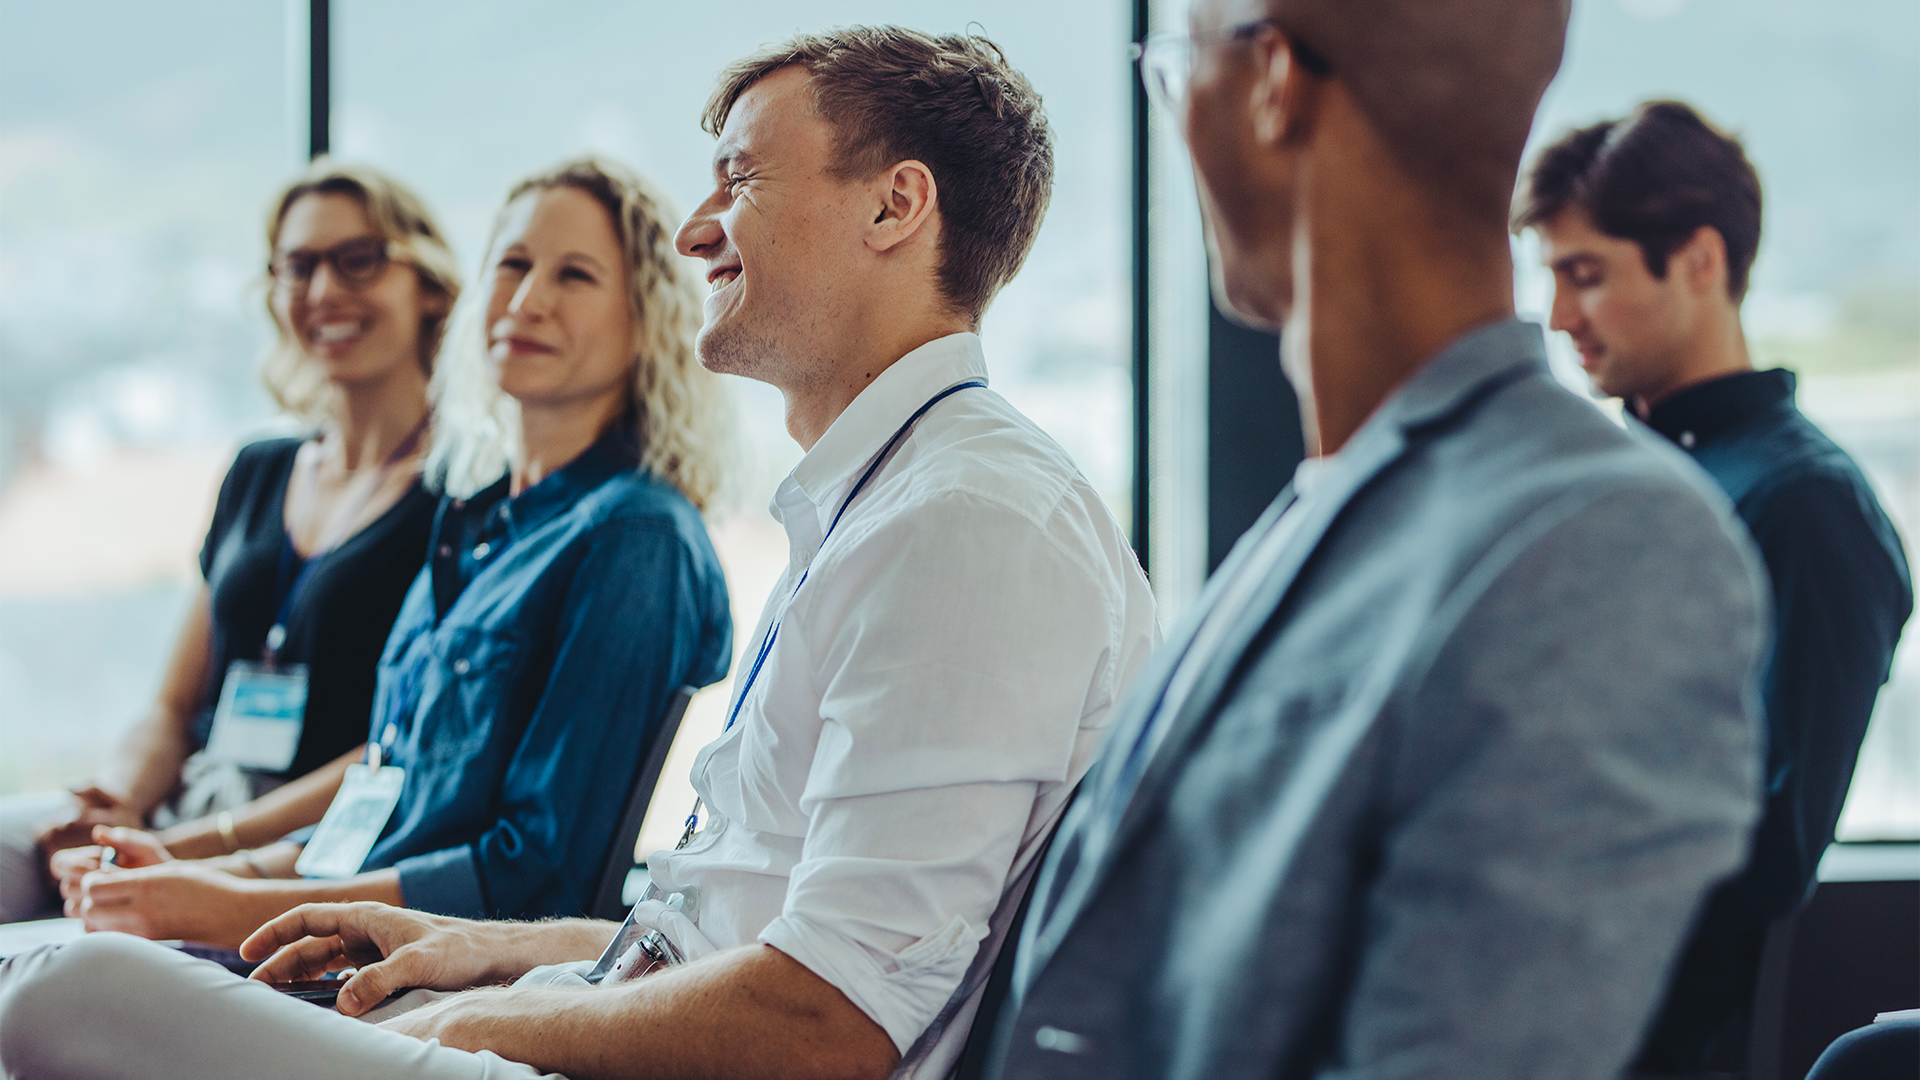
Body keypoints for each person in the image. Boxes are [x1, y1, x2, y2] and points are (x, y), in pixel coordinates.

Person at [0, 28, 1155, 1080]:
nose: (697, 229)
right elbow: (729, 929)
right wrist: (474, 950)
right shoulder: (881, 508)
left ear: (897, 207)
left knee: (62, 986)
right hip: (591, 1002)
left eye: (741, 179)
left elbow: (827, 1022)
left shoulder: (964, 524)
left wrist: (472, 1022)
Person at [976, 2, 1776, 1079]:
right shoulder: (1334, 502)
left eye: (1175, 70)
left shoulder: (1604, 550)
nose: (1173, 120)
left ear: (1274, 83)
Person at [44, 157, 734, 947]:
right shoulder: (477, 527)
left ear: (645, 319)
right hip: (329, 939)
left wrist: (220, 906)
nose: (526, 301)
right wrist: (204, 873)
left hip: (433, 981)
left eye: (574, 276)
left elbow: (535, 878)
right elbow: (379, 805)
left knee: (46, 977)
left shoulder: (635, 540)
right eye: (512, 265)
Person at [1515, 100, 1914, 1077]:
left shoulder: (1807, 505)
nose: (1560, 317)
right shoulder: (1613, 483)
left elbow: (1769, 850)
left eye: (1585, 275)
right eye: (1552, 278)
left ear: (1698, 261)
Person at [0, 161, 457, 925]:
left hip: (299, 844)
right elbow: (173, 705)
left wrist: (190, 850)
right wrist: (114, 803)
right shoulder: (259, 468)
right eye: (298, 266)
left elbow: (403, 747)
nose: (324, 290)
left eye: (359, 260)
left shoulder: (461, 496)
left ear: (430, 286)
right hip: (188, 807)